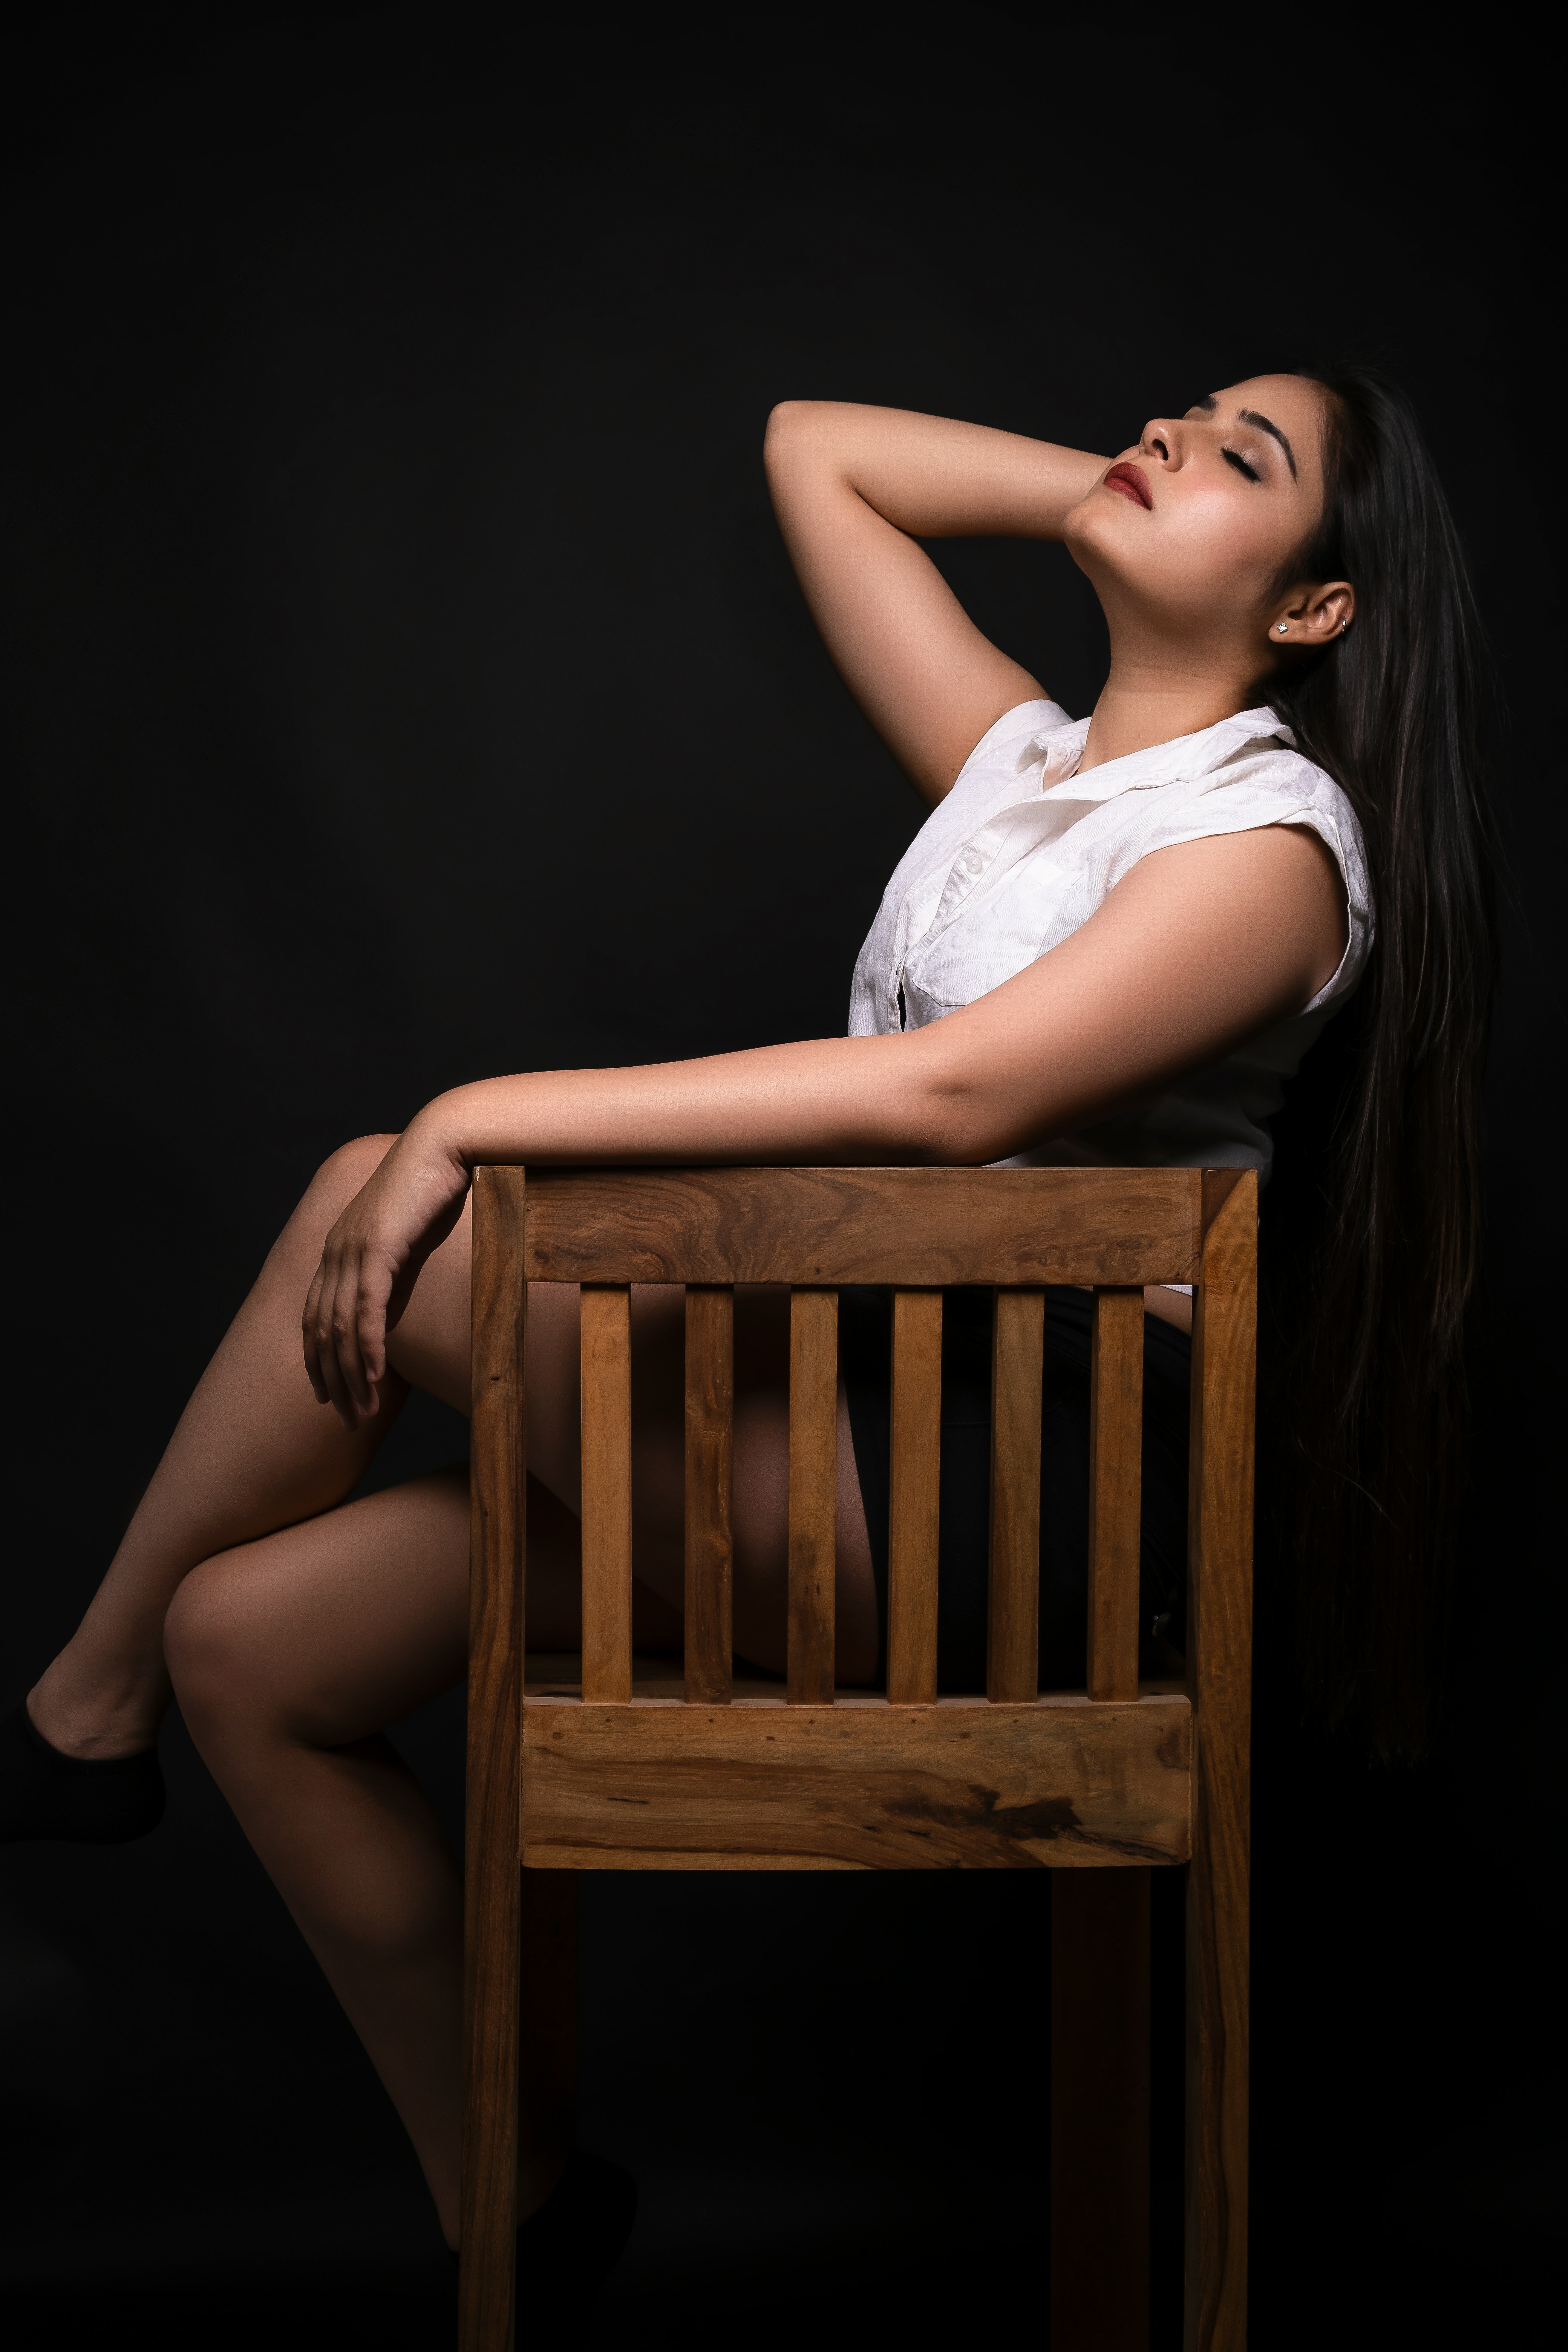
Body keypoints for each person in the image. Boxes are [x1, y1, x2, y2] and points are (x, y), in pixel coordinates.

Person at [1, 372, 1494, 2262]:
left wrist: (472, 1116)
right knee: (253, 1646)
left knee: (378, 1188)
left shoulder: (1271, 853)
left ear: (1316, 609)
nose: (1170, 439)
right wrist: (1126, 492)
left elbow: (943, 1099)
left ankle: (75, 1721)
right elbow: (817, 450)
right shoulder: (1022, 775)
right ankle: (521, 2212)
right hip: (828, 1428)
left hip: (1012, 1503)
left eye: (1240, 457)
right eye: (1177, 416)